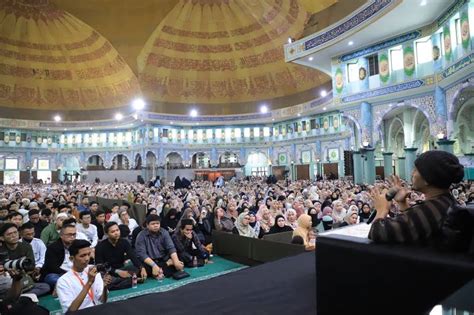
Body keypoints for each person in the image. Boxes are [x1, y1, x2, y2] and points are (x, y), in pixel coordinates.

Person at [369, 150, 464, 244]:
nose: (412, 174)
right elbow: (415, 226)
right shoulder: (445, 201)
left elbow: (378, 232)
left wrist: (382, 209)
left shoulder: (430, 210)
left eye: (415, 170)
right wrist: (402, 203)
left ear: (427, 179)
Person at [56, 240, 113, 313]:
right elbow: (71, 311)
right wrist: (89, 282)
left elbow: (102, 300)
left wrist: (105, 286)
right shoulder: (63, 281)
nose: (87, 259)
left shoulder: (93, 269)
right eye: (82, 256)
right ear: (72, 259)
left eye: (88, 254)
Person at [0, 223, 50, 297]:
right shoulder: (1, 250)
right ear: (2, 238)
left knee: (45, 287)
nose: (14, 236)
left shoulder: (26, 246)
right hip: (6, 279)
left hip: (23, 276)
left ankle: (17, 296)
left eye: (15, 232)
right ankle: (20, 295)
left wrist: (28, 270)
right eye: (9, 234)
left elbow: (31, 265)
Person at [95, 222, 147, 290]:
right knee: (105, 280)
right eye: (113, 231)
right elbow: (99, 266)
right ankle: (130, 280)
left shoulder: (124, 242)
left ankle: (128, 280)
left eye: (117, 230)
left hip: (122, 269)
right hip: (108, 271)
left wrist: (142, 268)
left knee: (136, 268)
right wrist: (117, 272)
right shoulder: (100, 246)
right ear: (107, 234)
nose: (116, 233)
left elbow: (133, 257)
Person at [41, 224, 77, 288]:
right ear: (61, 236)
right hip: (59, 274)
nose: (72, 237)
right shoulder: (52, 247)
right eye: (69, 234)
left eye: (74, 234)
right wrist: (68, 274)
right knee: (52, 278)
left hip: (75, 272)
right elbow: (52, 267)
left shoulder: (78, 246)